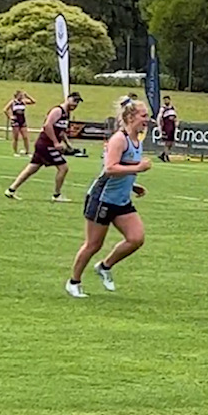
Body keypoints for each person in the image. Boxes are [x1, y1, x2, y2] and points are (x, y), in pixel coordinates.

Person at [66, 97, 152, 298]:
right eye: (143, 115)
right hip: (102, 200)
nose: (147, 119)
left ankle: (104, 266)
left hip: (121, 200)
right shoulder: (119, 139)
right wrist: (138, 168)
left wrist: (132, 185)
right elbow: (110, 168)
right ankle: (74, 282)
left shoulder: (137, 140)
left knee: (136, 238)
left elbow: (122, 169)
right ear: (131, 117)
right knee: (93, 244)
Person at [4, 92, 83, 202]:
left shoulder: (66, 113)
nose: (75, 104)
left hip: (45, 145)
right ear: (67, 99)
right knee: (63, 168)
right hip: (46, 145)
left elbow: (61, 132)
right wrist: (55, 142)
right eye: (74, 101)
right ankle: (57, 195)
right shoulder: (58, 110)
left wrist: (68, 145)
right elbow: (47, 125)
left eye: (78, 102)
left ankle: (11, 190)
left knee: (32, 168)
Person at [4, 90, 37, 156]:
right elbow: (5, 109)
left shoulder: (23, 102)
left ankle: (27, 151)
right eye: (20, 95)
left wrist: (27, 96)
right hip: (15, 121)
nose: (21, 96)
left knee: (25, 137)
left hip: (22, 121)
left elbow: (33, 101)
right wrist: (10, 117)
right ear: (17, 96)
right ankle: (15, 152)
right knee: (15, 137)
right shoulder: (13, 102)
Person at [157, 96, 178, 162]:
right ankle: (166, 156)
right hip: (166, 127)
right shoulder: (163, 108)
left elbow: (175, 117)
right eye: (165, 100)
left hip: (172, 127)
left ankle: (163, 154)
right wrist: (159, 126)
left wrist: (176, 123)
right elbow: (159, 117)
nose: (166, 101)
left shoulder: (172, 108)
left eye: (167, 100)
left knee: (171, 142)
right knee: (167, 142)